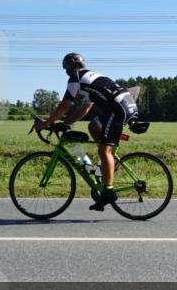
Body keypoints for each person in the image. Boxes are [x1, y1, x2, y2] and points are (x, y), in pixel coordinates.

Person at [33, 53, 138, 211]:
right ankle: (105, 166)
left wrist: (46, 123)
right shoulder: (89, 77)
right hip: (122, 104)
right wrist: (67, 123)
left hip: (118, 109)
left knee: (104, 149)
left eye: (66, 69)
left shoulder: (75, 78)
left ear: (69, 67)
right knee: (93, 127)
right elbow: (86, 108)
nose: (66, 72)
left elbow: (64, 105)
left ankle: (108, 191)